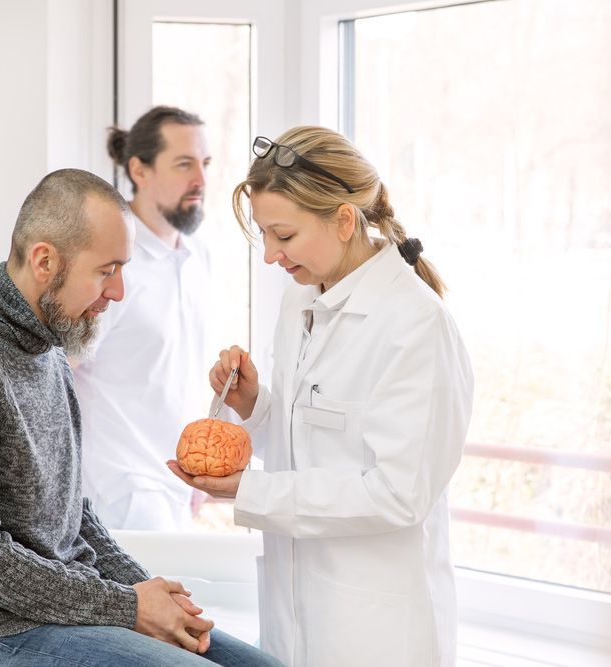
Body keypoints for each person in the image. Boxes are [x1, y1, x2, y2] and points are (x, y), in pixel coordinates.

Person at [0, 168, 280, 667]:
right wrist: (129, 606)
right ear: (45, 260)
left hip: (64, 615)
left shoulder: (50, 351)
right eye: (106, 270)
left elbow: (74, 516)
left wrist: (147, 591)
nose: (118, 292)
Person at [167, 127, 474, 666]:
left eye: (283, 236)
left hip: (374, 633)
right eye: (263, 235)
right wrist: (255, 404)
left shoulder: (416, 326)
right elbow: (307, 444)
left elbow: (398, 493)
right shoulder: (301, 301)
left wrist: (251, 493)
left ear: (344, 220)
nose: (269, 256)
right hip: (295, 622)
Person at [72, 106, 213, 530]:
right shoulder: (111, 261)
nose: (201, 181)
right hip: (119, 493)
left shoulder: (197, 256)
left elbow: (180, 374)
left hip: (176, 489)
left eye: (205, 164)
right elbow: (56, 371)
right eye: (184, 164)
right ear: (140, 169)